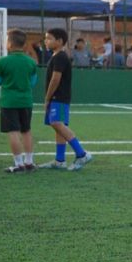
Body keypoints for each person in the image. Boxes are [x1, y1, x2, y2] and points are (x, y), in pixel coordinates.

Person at [38, 28, 95, 171]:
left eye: (49, 38)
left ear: (59, 41)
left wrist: (47, 98)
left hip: (59, 97)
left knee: (57, 124)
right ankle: (59, 160)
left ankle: (82, 154)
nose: (46, 41)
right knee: (58, 128)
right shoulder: (56, 56)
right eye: (46, 38)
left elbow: (55, 79)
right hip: (57, 98)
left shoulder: (60, 57)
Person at [0, 30, 39, 173]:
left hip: (9, 102)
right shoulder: (31, 62)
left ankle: (18, 164)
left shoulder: (2, 62)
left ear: (9, 44)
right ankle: (29, 162)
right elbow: (32, 82)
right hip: (26, 101)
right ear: (24, 44)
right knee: (26, 130)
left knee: (13, 132)